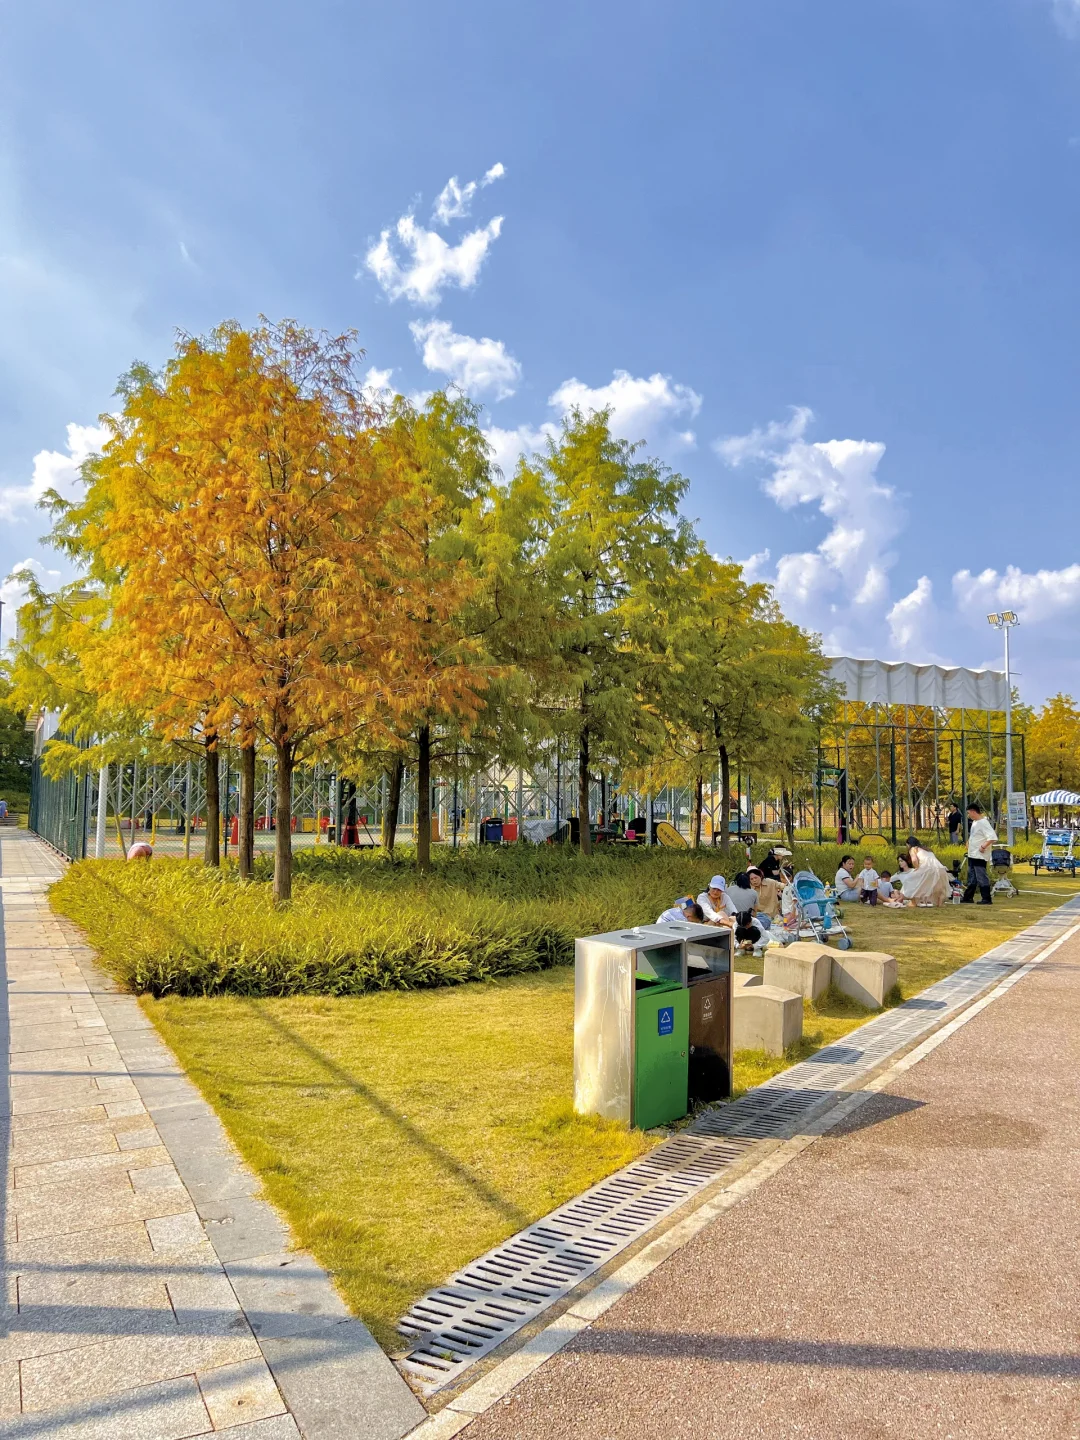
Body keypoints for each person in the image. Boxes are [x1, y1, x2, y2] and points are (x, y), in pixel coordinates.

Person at [894, 836, 952, 906]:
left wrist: (917, 868)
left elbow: (914, 860)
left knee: (912, 881)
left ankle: (913, 902)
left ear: (909, 844)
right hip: (940, 868)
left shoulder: (913, 849)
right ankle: (940, 904)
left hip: (927, 868)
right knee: (939, 887)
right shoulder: (927, 849)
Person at [961, 802, 997, 905]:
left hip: (980, 855)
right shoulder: (975, 822)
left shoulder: (983, 822)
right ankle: (968, 897)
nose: (969, 815)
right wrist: (969, 842)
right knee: (972, 877)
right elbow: (974, 835)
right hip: (972, 854)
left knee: (981, 876)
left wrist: (983, 846)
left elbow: (992, 837)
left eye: (969, 813)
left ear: (973, 812)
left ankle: (986, 898)